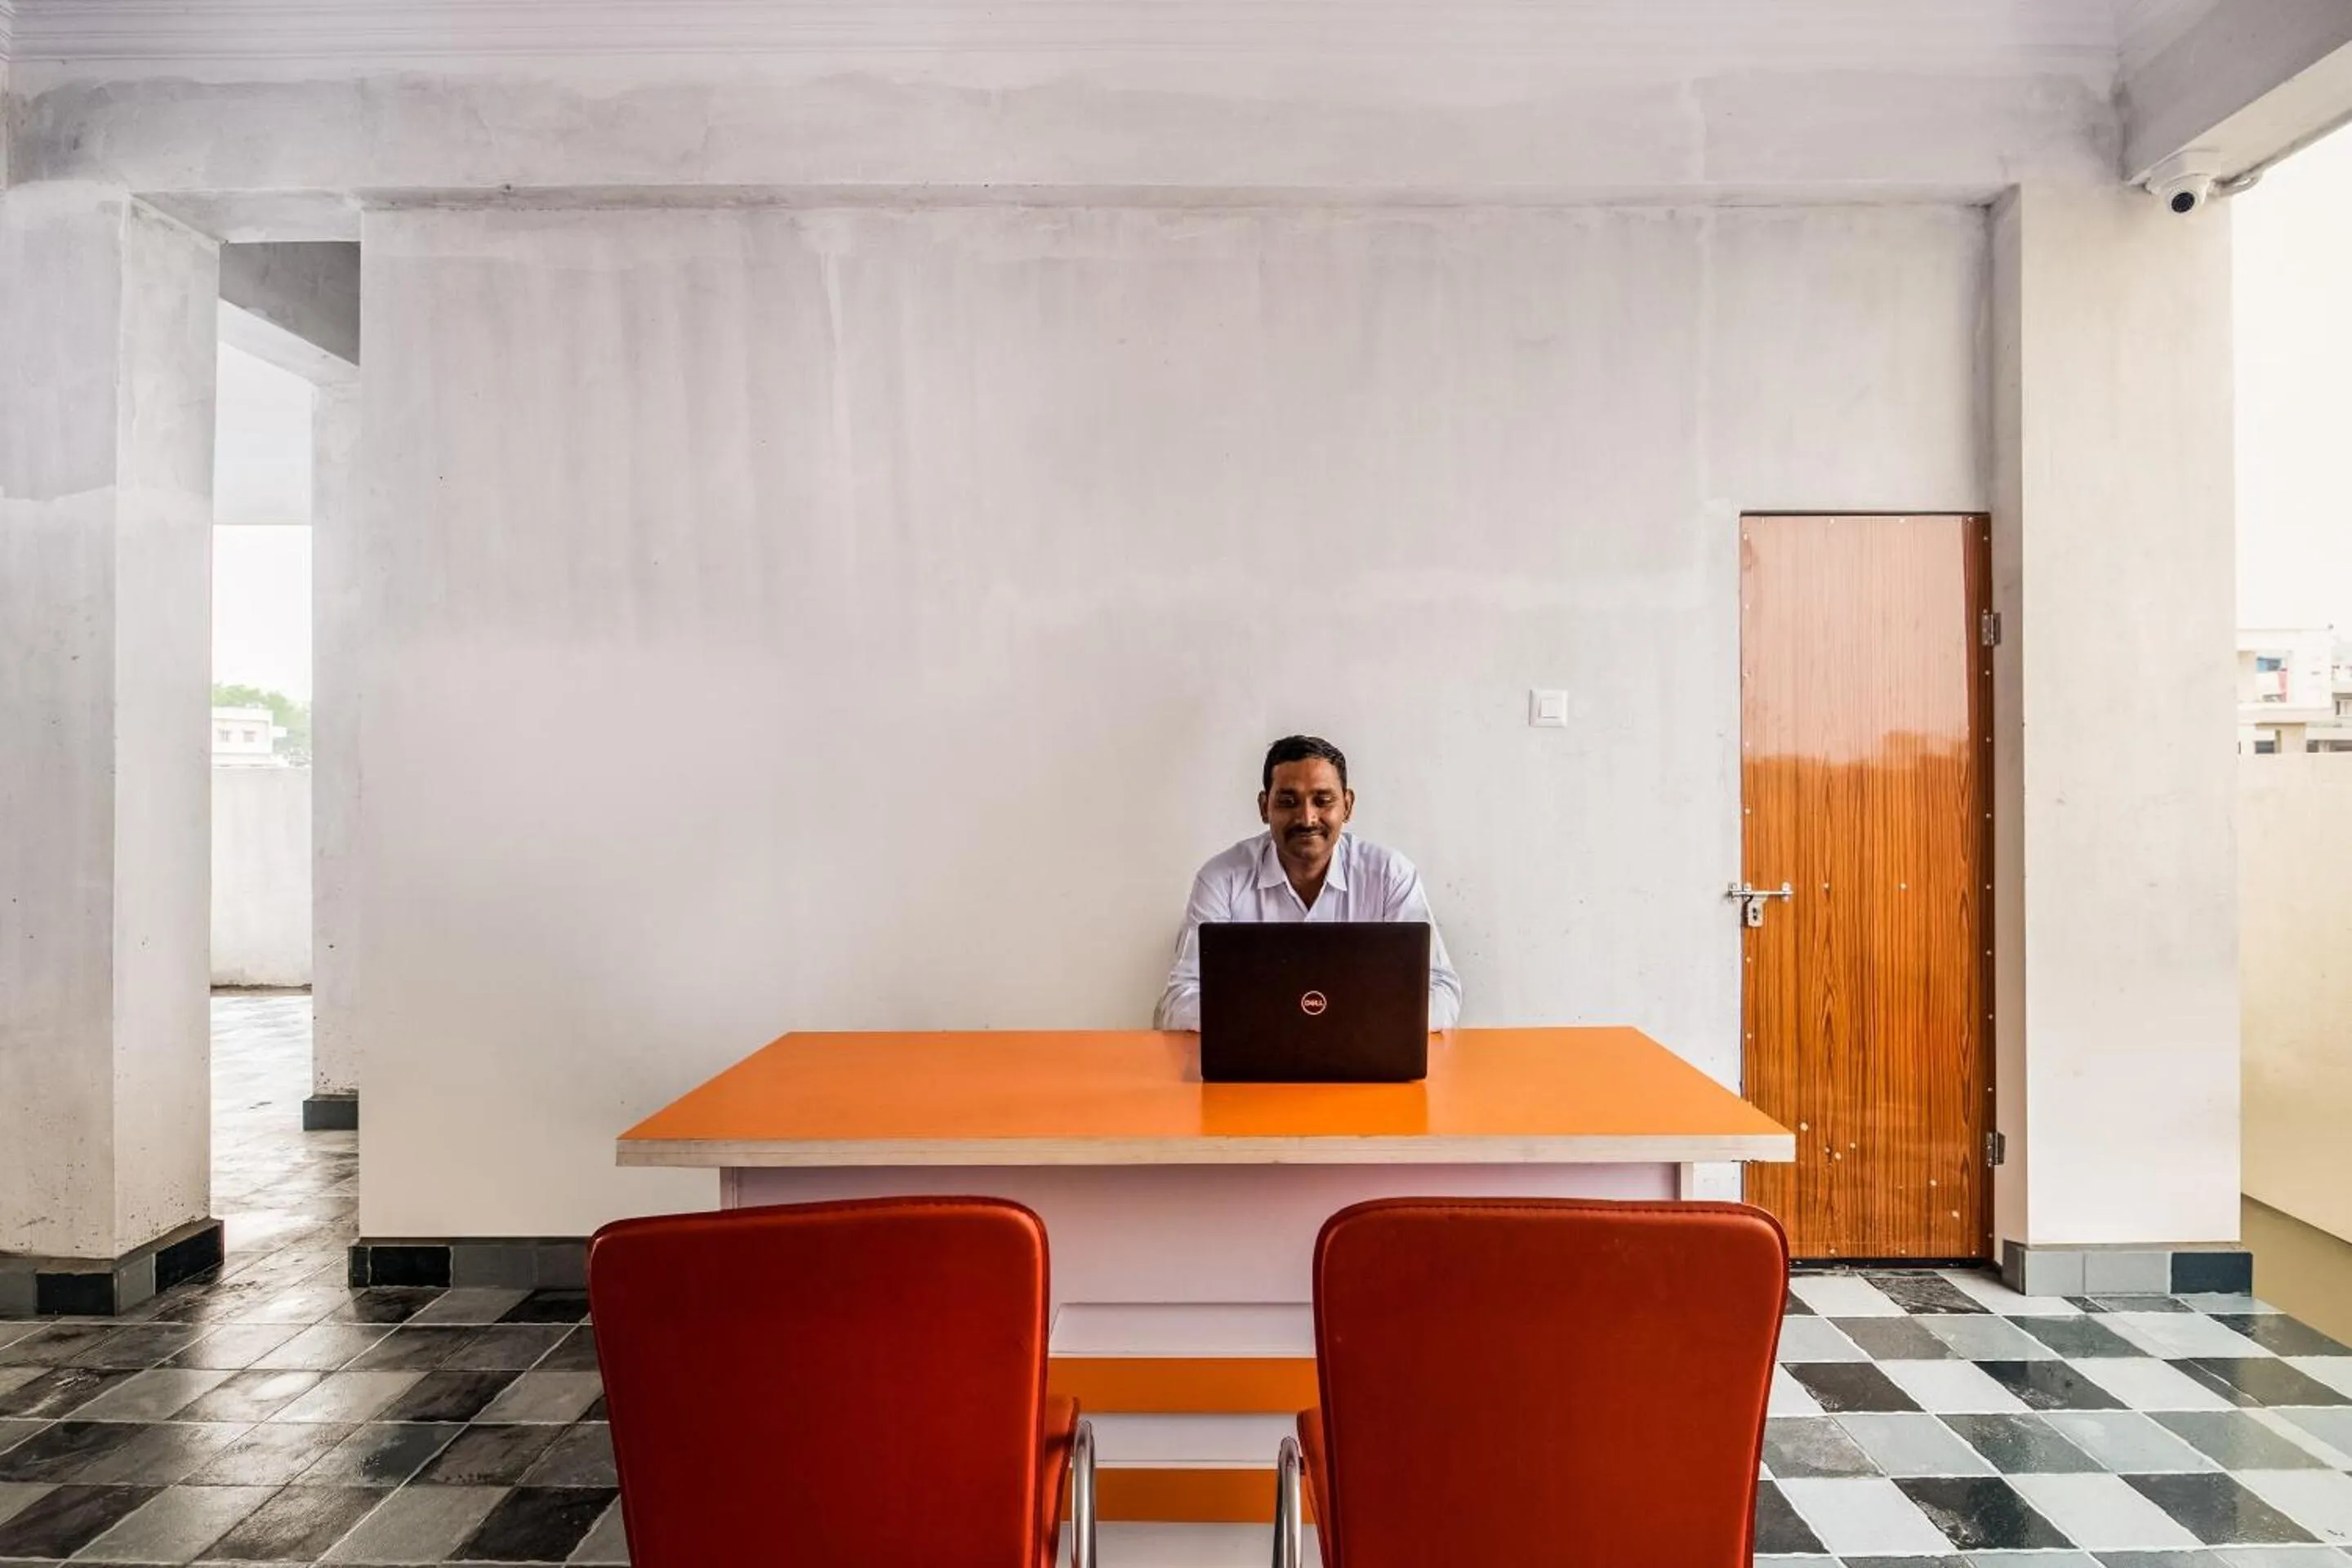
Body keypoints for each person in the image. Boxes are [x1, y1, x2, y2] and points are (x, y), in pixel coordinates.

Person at [1154, 735, 1463, 1031]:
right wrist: (1283, 1018)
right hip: (1256, 1064)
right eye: (1288, 802)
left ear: (1348, 805)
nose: (1307, 817)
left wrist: (1353, 1019)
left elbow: (1441, 989)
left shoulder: (1389, 875)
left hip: (1363, 1059)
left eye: (1322, 800)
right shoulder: (1222, 879)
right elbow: (1179, 999)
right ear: (1265, 807)